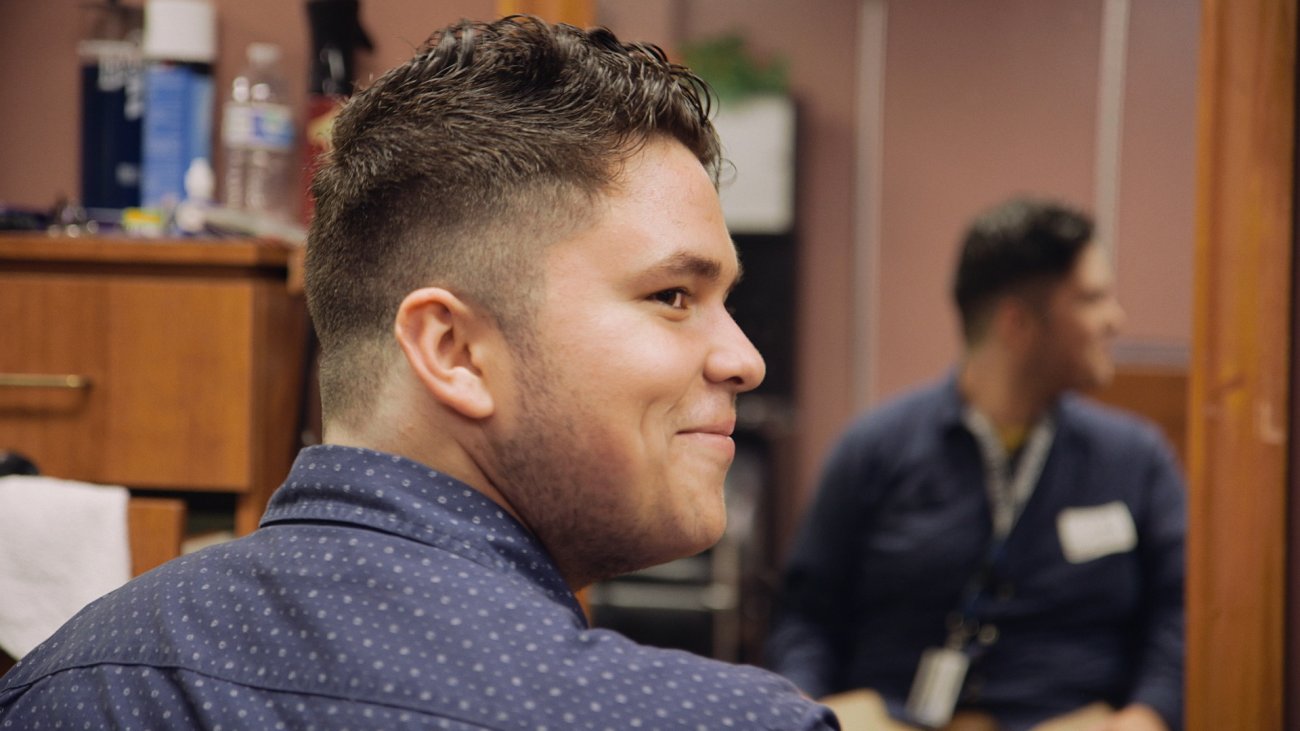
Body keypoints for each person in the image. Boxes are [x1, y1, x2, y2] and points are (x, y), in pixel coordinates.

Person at [0, 16, 837, 730]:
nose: (744, 358)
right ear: (452, 350)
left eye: (723, 300)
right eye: (672, 295)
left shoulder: (64, 683)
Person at [766, 197, 1184, 731]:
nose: (1115, 319)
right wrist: (811, 712)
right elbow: (805, 617)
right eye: (1092, 298)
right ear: (1018, 323)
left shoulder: (1136, 461)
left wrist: (1148, 718)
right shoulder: (874, 450)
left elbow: (1177, 619)